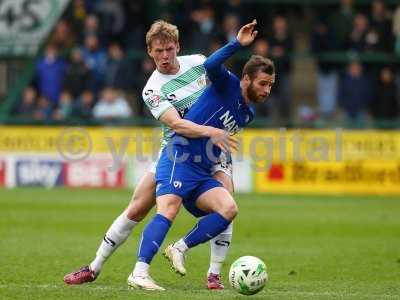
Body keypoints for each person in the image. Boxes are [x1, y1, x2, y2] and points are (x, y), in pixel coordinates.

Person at [63, 20, 237, 290]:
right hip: (177, 153)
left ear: (178, 46)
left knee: (227, 201)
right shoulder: (152, 88)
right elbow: (177, 124)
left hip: (214, 151)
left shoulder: (200, 63)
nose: (164, 56)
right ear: (149, 51)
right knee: (137, 207)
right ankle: (94, 267)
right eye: (158, 51)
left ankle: (214, 275)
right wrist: (211, 131)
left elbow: (225, 89)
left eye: (169, 49)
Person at [127, 20, 275, 291]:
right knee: (167, 209)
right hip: (179, 157)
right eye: (263, 84)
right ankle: (139, 272)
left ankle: (179, 248)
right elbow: (209, 66)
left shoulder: (247, 114)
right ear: (246, 79)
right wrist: (236, 44)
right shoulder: (226, 83)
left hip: (202, 170)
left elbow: (220, 140)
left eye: (270, 86)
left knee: (229, 208)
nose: (266, 91)